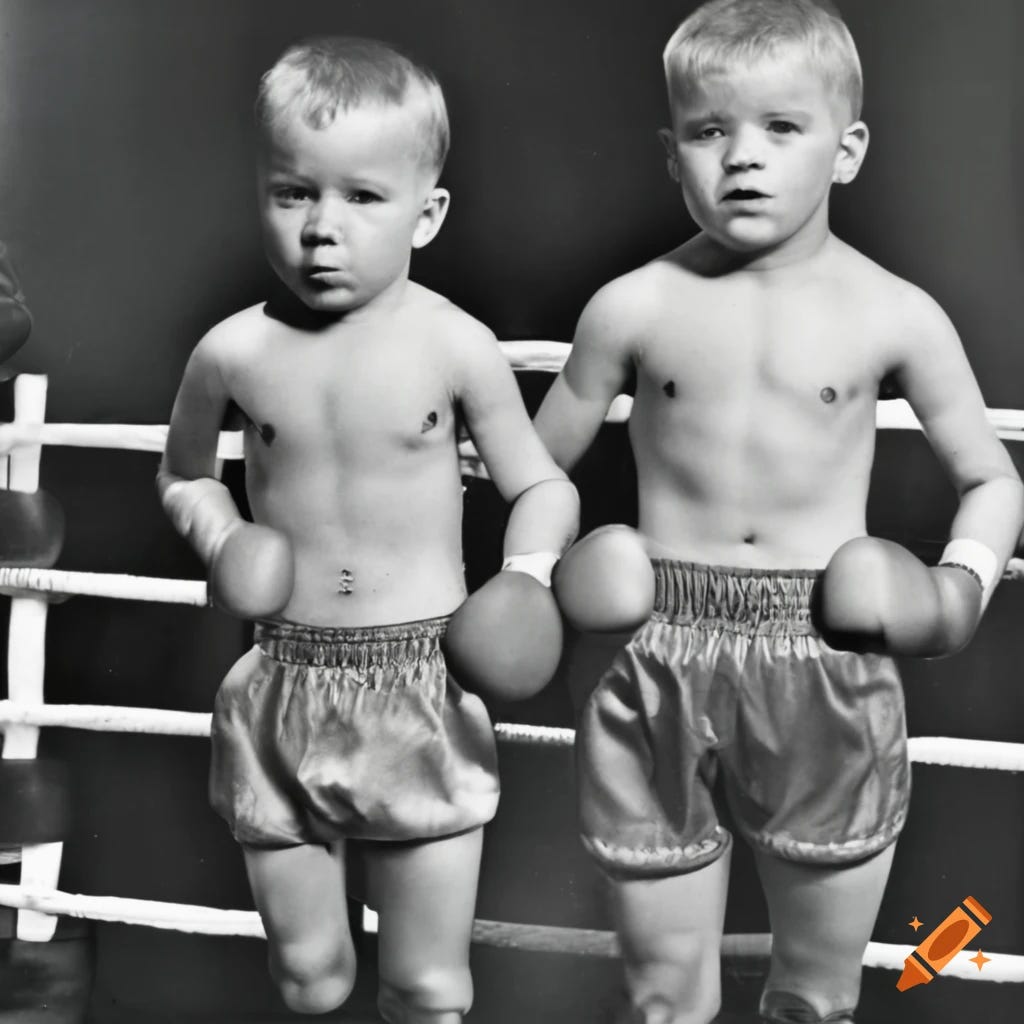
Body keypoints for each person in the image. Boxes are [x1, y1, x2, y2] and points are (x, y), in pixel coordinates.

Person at [533, 2, 1024, 1021]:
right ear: (673, 155)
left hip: (822, 650)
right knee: (662, 998)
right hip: (650, 648)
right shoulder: (630, 305)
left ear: (844, 151)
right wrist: (533, 577)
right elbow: (536, 471)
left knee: (813, 996)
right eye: (712, 131)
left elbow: (994, 479)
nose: (741, 159)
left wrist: (955, 594)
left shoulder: (894, 312)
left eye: (780, 128)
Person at [158, 37, 578, 1022]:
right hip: (280, 684)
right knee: (309, 979)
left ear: (425, 213)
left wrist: (523, 576)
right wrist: (221, 539)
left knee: (428, 987)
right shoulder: (231, 351)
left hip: (423, 683)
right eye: (294, 193)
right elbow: (182, 476)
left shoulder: (454, 344)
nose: (321, 231)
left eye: (362, 198)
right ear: (260, 191)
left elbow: (542, 485)